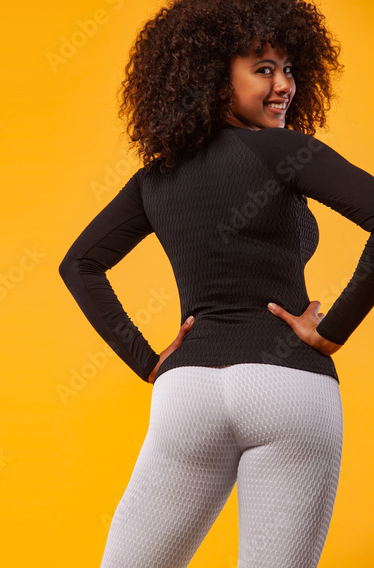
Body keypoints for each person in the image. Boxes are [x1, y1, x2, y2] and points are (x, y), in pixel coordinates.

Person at [59, 0, 374, 566]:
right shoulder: (285, 151)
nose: (284, 86)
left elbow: (80, 264)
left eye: (289, 68)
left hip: (188, 398)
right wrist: (335, 330)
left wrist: (148, 360)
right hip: (289, 389)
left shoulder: (155, 177)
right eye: (263, 69)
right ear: (213, 75)